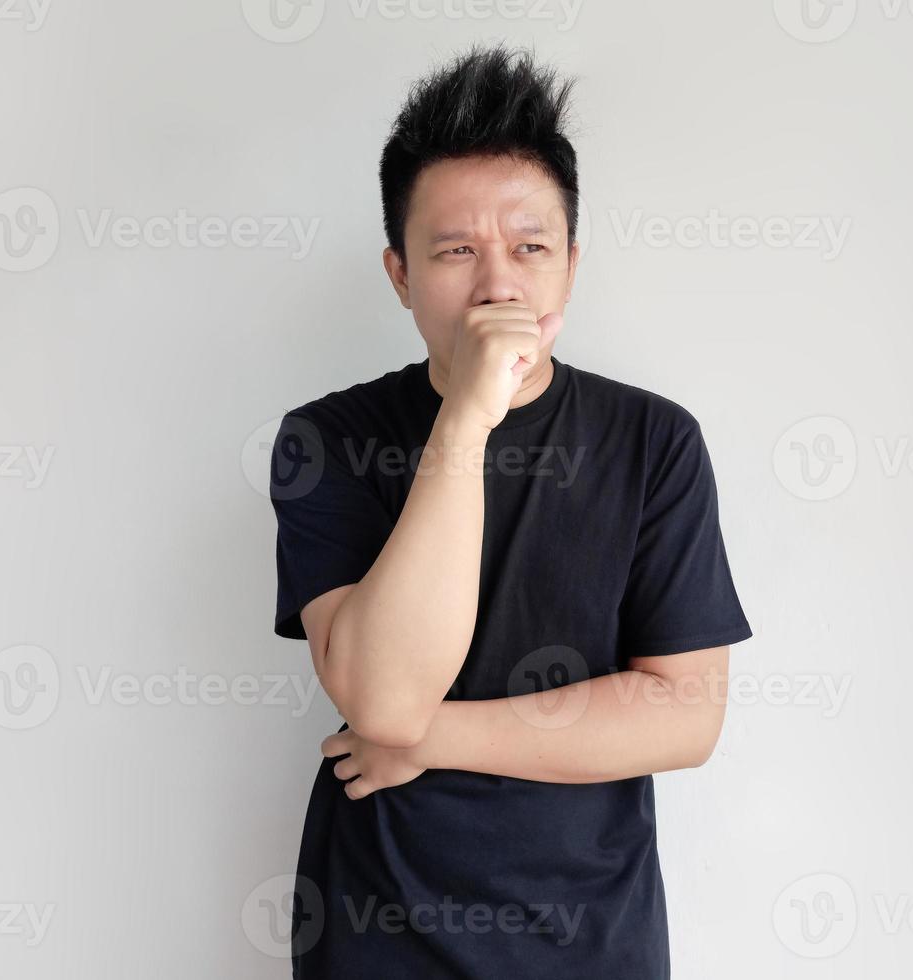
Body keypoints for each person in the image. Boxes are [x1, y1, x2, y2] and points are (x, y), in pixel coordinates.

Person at [269, 40, 753, 979]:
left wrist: (432, 736)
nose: (498, 284)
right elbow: (380, 697)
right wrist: (471, 417)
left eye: (530, 248)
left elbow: (685, 716)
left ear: (570, 265)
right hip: (378, 935)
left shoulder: (655, 443)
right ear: (400, 274)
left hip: (592, 943)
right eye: (455, 251)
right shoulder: (325, 440)